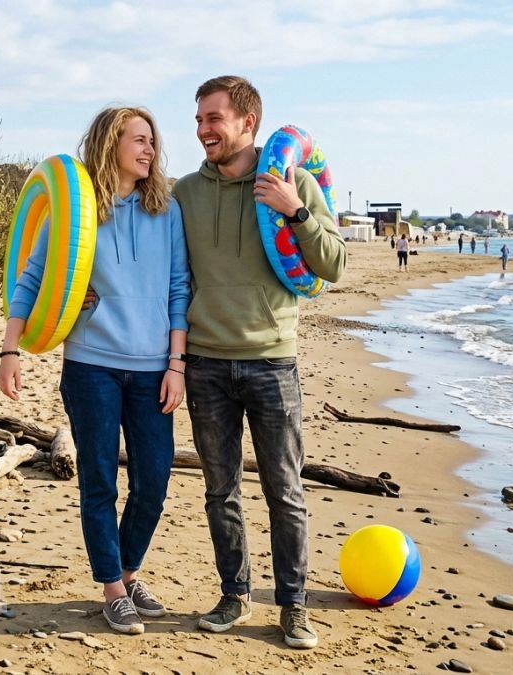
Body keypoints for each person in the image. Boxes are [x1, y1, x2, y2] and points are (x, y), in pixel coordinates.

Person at [0, 106, 190, 636]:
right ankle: (112, 588)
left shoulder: (166, 210)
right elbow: (32, 277)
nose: (150, 149)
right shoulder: (77, 212)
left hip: (154, 368)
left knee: (154, 477)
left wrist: (177, 363)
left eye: (153, 141)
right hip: (91, 366)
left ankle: (128, 574)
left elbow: (179, 287)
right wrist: (10, 351)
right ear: (111, 145)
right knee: (99, 479)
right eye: (139, 140)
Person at [172, 75, 346, 650]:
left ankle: (293, 606)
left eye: (213, 119)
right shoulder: (185, 193)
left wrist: (296, 211)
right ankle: (234, 595)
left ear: (249, 122)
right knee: (220, 490)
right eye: (198, 120)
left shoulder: (289, 181)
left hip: (272, 363)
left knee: (284, 490)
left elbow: (334, 263)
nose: (202, 130)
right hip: (205, 363)